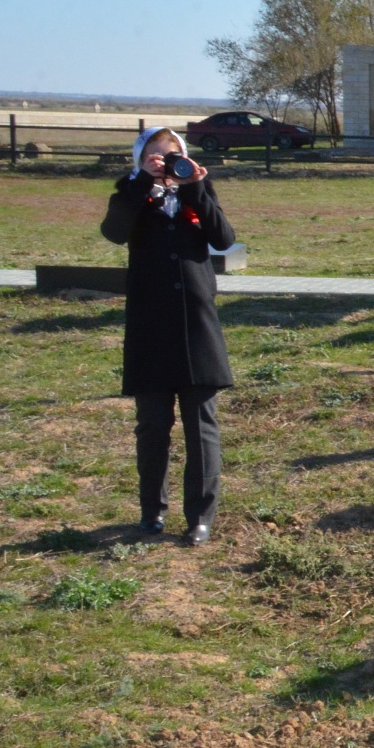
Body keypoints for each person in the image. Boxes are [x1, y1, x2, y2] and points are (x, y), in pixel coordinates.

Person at [101, 127, 236, 545]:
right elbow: (115, 231)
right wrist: (144, 180)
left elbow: (224, 240)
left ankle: (200, 517)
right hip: (151, 327)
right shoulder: (130, 192)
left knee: (202, 427)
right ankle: (151, 512)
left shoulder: (199, 191)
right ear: (140, 158)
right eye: (155, 155)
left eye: (172, 153)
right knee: (153, 425)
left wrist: (195, 187)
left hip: (197, 326)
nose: (165, 162)